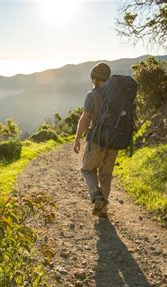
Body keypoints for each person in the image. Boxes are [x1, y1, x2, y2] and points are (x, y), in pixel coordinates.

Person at [73, 62, 118, 217]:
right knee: (105, 176)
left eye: (92, 78)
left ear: (94, 78)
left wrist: (77, 138)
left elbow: (85, 119)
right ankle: (103, 210)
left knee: (87, 169)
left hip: (96, 141)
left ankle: (96, 196)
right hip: (114, 141)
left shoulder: (92, 95)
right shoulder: (116, 95)